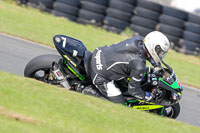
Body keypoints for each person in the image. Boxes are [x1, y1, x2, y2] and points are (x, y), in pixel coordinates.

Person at [87, 31, 170, 104]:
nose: (160, 54)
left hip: (99, 53)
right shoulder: (139, 65)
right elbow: (134, 91)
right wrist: (148, 97)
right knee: (120, 104)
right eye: (160, 52)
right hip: (99, 73)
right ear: (153, 47)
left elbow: (145, 55)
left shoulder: (137, 40)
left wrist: (157, 66)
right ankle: (91, 93)